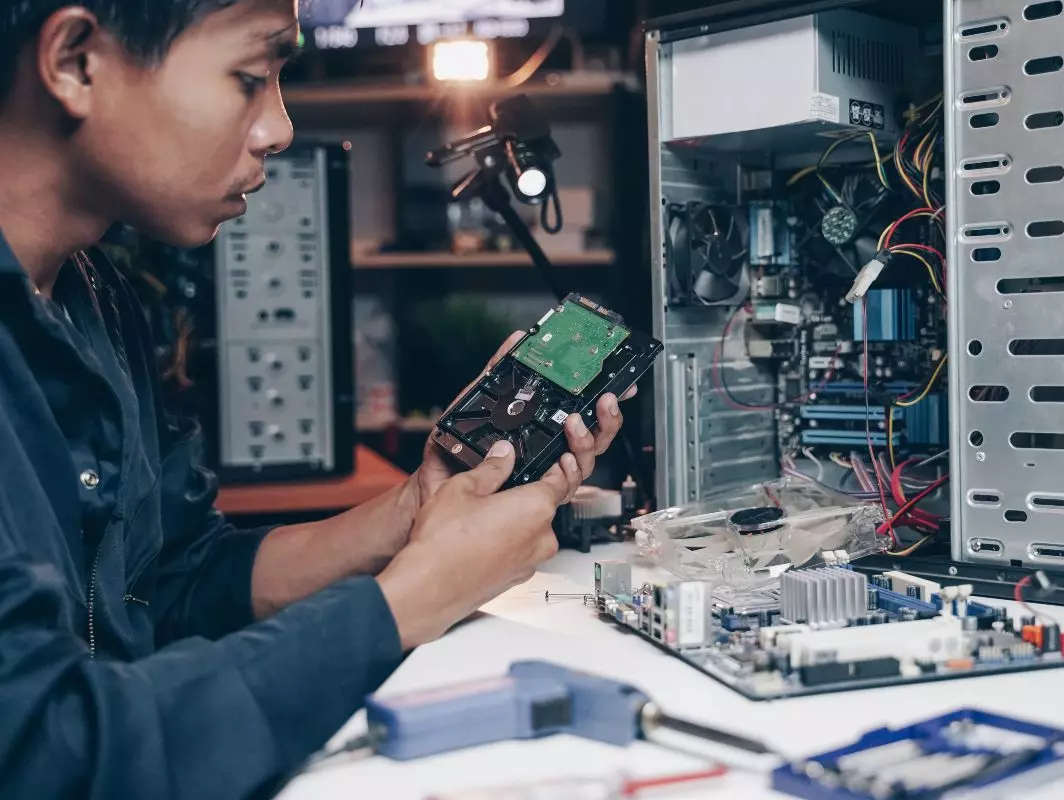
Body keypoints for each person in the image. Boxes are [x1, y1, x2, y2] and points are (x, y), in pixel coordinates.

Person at [0, 2, 634, 798]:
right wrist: (407, 600)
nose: (280, 129)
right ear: (75, 62)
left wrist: (415, 510)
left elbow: (175, 585)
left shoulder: (95, 298)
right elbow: (42, 751)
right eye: (249, 77)